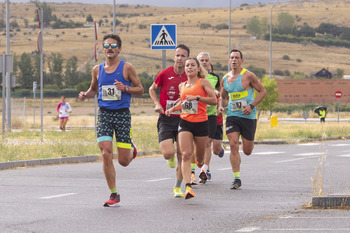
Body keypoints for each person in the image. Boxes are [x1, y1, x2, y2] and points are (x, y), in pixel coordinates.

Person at [79, 34, 144, 207]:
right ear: (103, 49)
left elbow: (140, 89)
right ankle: (114, 193)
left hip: (122, 114)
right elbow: (93, 90)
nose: (110, 48)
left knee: (123, 161)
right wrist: (85, 95)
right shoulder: (97, 69)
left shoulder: (126, 68)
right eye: (107, 45)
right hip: (104, 114)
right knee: (106, 152)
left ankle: (132, 149)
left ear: (119, 49)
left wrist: (126, 88)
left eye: (113, 45)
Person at [165, 57, 216, 199]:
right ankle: (188, 187)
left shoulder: (203, 82)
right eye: (187, 65)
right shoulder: (182, 85)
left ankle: (200, 163)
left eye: (193, 65)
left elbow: (214, 100)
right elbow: (184, 103)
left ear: (198, 68)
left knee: (199, 157)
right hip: (185, 122)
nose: (189, 67)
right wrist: (173, 109)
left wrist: (198, 98)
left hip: (201, 123)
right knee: (186, 154)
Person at [218, 49, 266, 190]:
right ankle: (236, 178)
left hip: (248, 116)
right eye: (231, 57)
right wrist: (221, 106)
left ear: (241, 60)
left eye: (237, 58)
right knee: (233, 145)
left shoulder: (249, 76)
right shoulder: (225, 79)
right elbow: (223, 96)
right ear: (228, 60)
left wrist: (251, 106)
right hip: (233, 116)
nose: (234, 60)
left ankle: (247, 144)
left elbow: (263, 91)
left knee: (247, 150)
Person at [149, 44, 190, 198]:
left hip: (184, 119)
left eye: (183, 56)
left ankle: (177, 187)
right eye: (177, 55)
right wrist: (157, 104)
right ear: (174, 57)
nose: (180, 58)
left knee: (183, 155)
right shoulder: (165, 73)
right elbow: (151, 89)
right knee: (167, 154)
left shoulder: (190, 75)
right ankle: (170, 156)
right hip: (166, 119)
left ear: (187, 58)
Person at [196, 52, 221, 184]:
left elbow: (220, 94)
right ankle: (198, 168)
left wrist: (219, 106)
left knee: (208, 142)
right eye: (201, 60)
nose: (204, 62)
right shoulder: (192, 77)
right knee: (198, 143)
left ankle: (204, 170)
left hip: (210, 114)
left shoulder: (214, 77)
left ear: (209, 63)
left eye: (206, 60)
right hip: (196, 113)